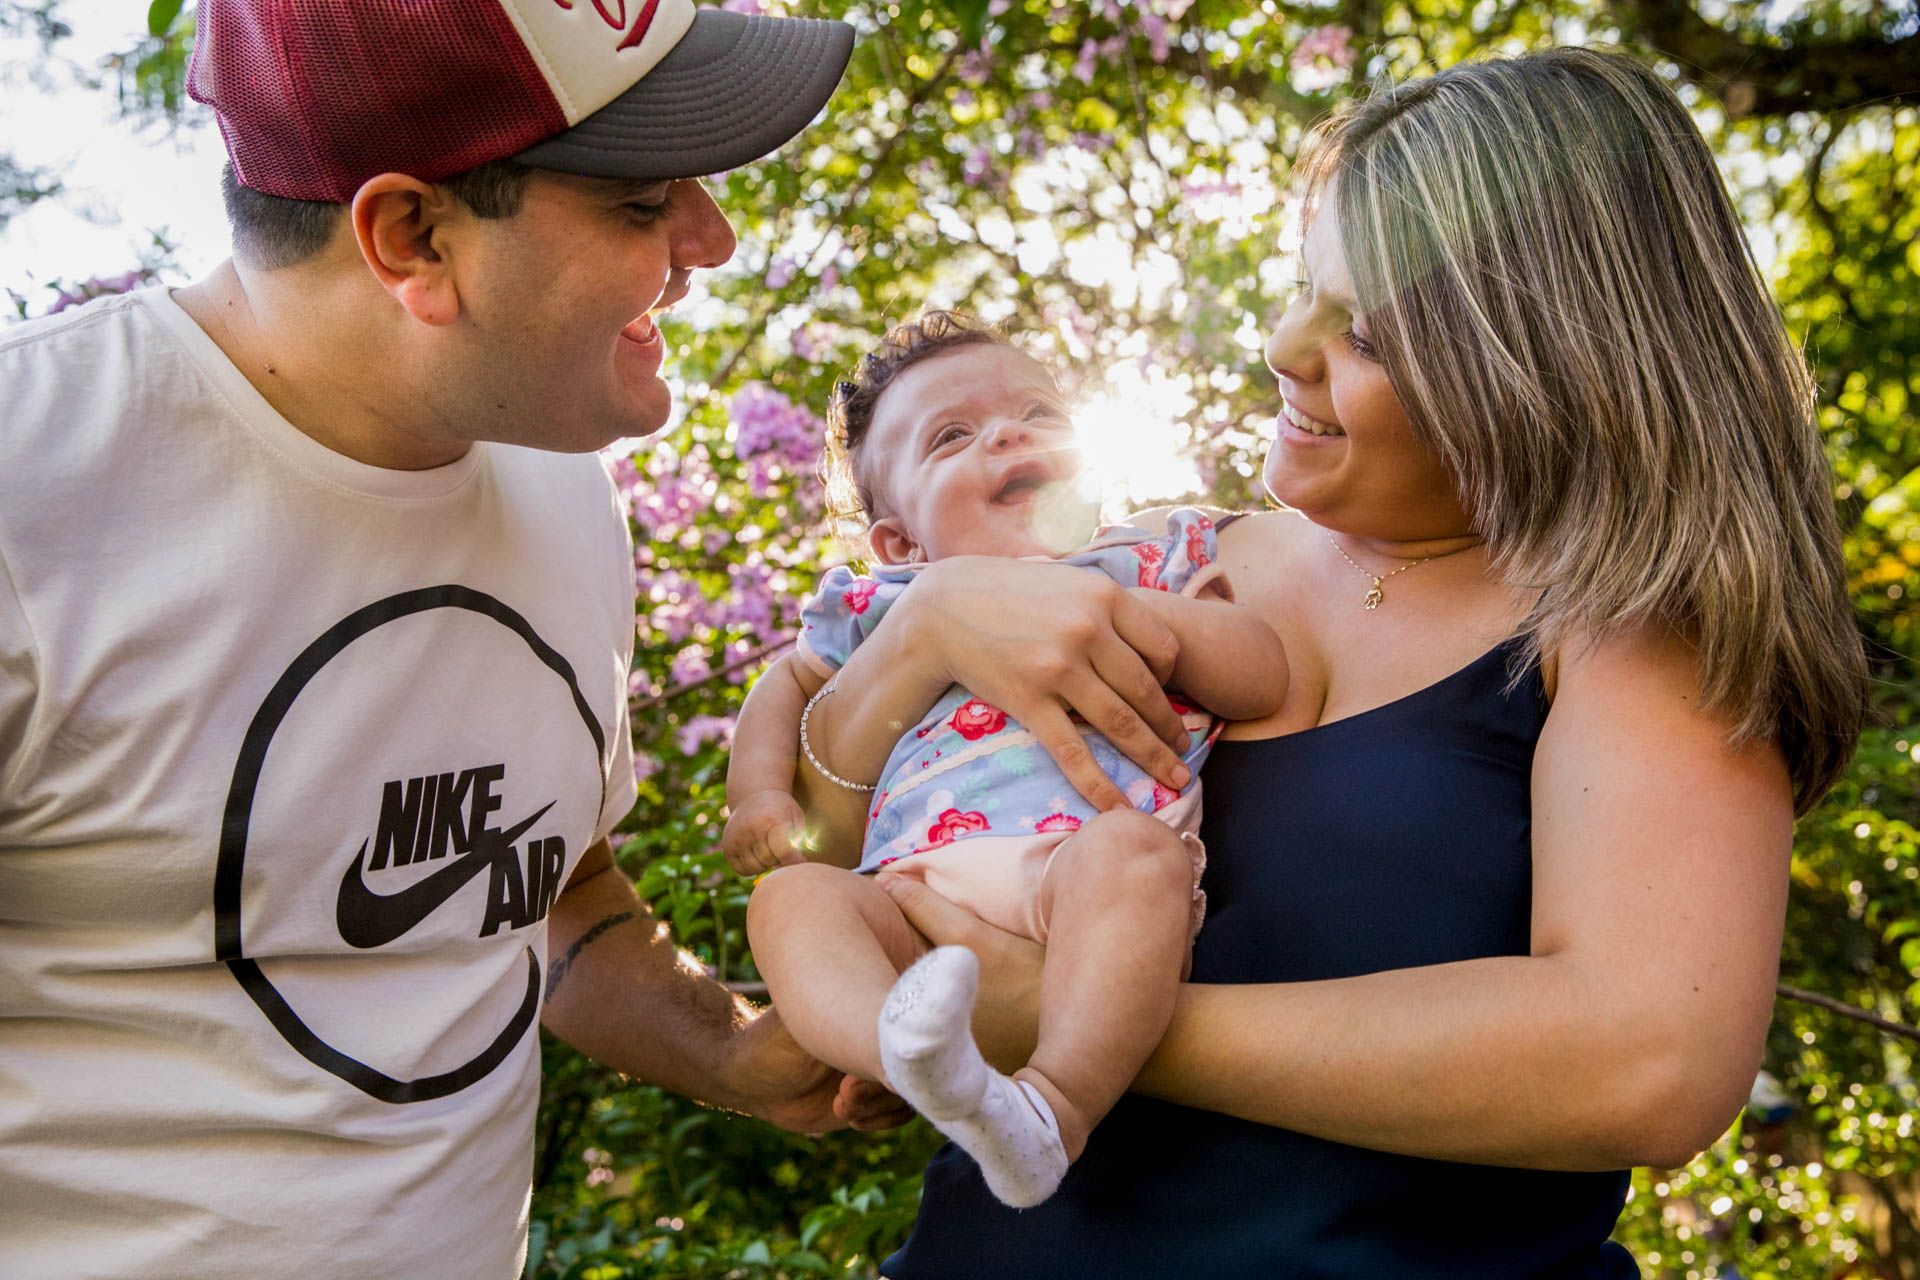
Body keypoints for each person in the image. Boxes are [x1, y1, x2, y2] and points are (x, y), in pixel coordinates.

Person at [782, 48, 1867, 1277]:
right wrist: (918, 638)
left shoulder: (1629, 630)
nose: (1285, 347)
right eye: (1305, 286)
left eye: (1367, 331)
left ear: (1540, 365)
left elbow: (1648, 1061)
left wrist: (1076, 1019)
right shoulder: (1154, 555)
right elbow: (832, 850)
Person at [0, 3, 904, 1277]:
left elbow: (553, 895)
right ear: (411, 237)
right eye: (644, 204)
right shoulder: (28, 487)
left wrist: (736, 1049)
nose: (717, 235)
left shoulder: (566, 491)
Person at [721, 313, 1289, 1207]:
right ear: (901, 542)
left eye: (1038, 410)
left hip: (1086, 882)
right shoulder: (886, 602)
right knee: (792, 899)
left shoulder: (1146, 558)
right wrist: (756, 794)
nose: (1009, 432)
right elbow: (785, 689)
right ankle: (908, 1054)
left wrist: (1138, 616)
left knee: (1138, 858)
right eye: (953, 436)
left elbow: (1260, 672)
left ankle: (1049, 1110)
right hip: (914, 896)